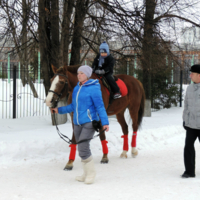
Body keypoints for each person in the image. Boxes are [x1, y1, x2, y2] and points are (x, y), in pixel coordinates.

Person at [51, 65, 109, 184]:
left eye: (82, 73)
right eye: (78, 73)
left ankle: (91, 174)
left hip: (89, 121)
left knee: (83, 147)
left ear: (87, 75)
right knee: (82, 148)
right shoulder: (77, 88)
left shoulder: (94, 88)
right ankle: (85, 173)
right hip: (77, 122)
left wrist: (105, 122)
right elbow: (73, 106)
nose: (79, 75)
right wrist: (59, 110)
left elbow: (100, 106)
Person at [182, 64, 200, 178]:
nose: (190, 75)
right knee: (188, 147)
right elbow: (186, 106)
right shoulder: (189, 88)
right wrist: (185, 120)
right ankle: (189, 171)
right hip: (191, 125)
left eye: (192, 73)